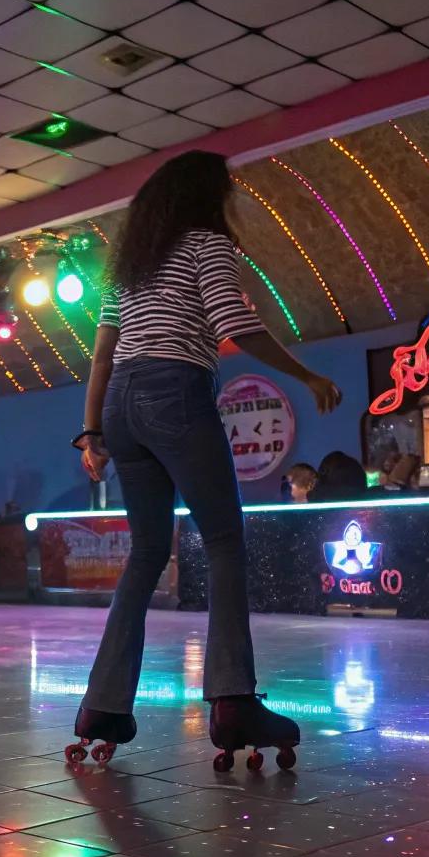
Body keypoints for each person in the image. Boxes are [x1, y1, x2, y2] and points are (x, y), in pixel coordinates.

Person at [71, 150, 341, 770]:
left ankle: (102, 706)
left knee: (145, 551)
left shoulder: (130, 264)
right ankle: (232, 700)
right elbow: (233, 321)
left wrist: (92, 432)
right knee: (223, 539)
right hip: (175, 390)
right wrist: (305, 374)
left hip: (120, 405)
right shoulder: (205, 243)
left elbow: (103, 354)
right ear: (205, 195)